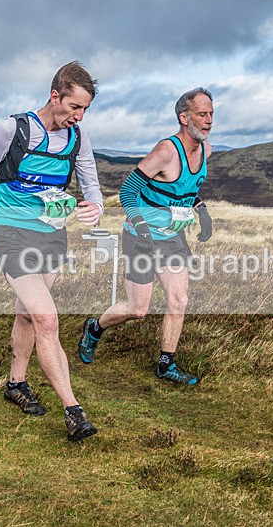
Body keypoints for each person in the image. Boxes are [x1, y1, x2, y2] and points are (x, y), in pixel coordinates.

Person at [0, 61, 103, 441]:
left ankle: (16, 384)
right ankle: (73, 410)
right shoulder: (13, 129)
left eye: (85, 110)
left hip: (52, 236)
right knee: (47, 319)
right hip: (11, 234)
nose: (78, 117)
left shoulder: (78, 138)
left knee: (29, 315)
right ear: (55, 95)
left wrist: (95, 206)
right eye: (74, 107)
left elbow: (92, 185)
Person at [77, 87, 214, 385]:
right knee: (138, 309)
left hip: (172, 239)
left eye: (211, 114)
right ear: (183, 117)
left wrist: (201, 210)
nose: (208, 120)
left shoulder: (206, 150)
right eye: (201, 114)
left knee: (179, 300)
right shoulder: (166, 151)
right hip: (140, 237)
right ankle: (94, 328)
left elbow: (186, 190)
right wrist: (140, 226)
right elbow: (128, 191)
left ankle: (166, 365)